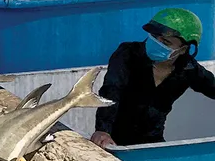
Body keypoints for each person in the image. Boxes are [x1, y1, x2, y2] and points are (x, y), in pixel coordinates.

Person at [91, 8, 215, 148]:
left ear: (182, 49)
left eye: (166, 42)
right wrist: (102, 130)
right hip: (113, 143)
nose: (157, 43)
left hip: (153, 145)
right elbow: (112, 90)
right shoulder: (128, 54)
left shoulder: (188, 69)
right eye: (154, 37)